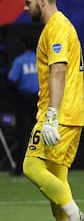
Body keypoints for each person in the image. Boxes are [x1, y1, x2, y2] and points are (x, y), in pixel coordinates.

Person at [22, 0, 84, 221]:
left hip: (60, 113)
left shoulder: (58, 27)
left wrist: (51, 116)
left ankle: (79, 220)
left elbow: (59, 71)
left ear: (42, 1)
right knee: (56, 175)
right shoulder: (55, 28)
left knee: (31, 166)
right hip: (67, 112)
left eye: (28, 3)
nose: (25, 8)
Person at [8, 38, 39, 176]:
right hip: (40, 99)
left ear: (23, 46)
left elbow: (12, 80)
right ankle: (43, 166)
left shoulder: (20, 61)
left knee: (23, 133)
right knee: (40, 133)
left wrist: (17, 96)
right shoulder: (40, 60)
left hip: (24, 100)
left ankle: (21, 167)